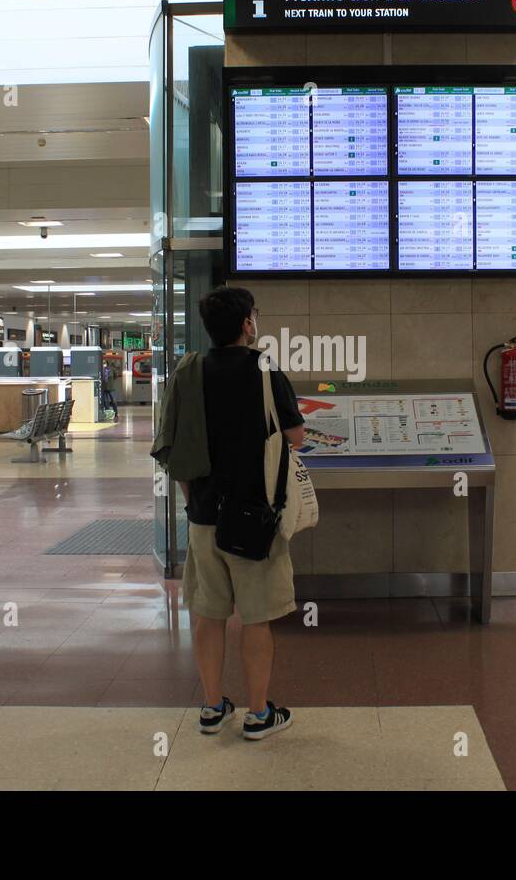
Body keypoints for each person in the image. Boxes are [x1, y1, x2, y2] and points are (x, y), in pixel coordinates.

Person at [152, 286, 305, 741]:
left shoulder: (188, 371)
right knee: (255, 618)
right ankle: (259, 715)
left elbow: (170, 449)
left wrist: (193, 498)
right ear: (246, 324)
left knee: (208, 614)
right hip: (255, 518)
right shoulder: (263, 368)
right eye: (254, 315)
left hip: (203, 515)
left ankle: (213, 706)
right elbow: (294, 437)